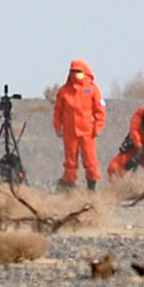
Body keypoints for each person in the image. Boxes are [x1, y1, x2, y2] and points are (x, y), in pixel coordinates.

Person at [53, 60, 107, 190]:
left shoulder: (92, 89)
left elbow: (100, 110)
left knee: (90, 160)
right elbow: (58, 111)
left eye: (78, 72)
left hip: (87, 131)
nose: (75, 74)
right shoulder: (64, 91)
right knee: (70, 161)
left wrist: (98, 127)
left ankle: (91, 188)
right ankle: (69, 185)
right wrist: (57, 127)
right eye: (73, 72)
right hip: (69, 132)